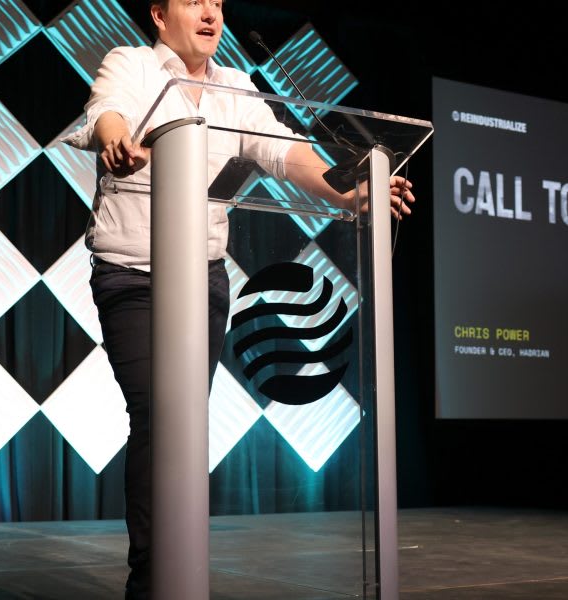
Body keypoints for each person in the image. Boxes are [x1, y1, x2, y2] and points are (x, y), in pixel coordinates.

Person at [64, 1, 414, 597]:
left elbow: (284, 150)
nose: (210, 13)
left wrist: (349, 192)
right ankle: (153, 580)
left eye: (219, 4)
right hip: (132, 277)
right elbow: (108, 114)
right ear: (158, 13)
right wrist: (117, 139)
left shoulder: (235, 86)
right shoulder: (132, 63)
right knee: (159, 418)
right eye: (194, 1)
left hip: (201, 279)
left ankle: (175, 569)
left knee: (185, 425)